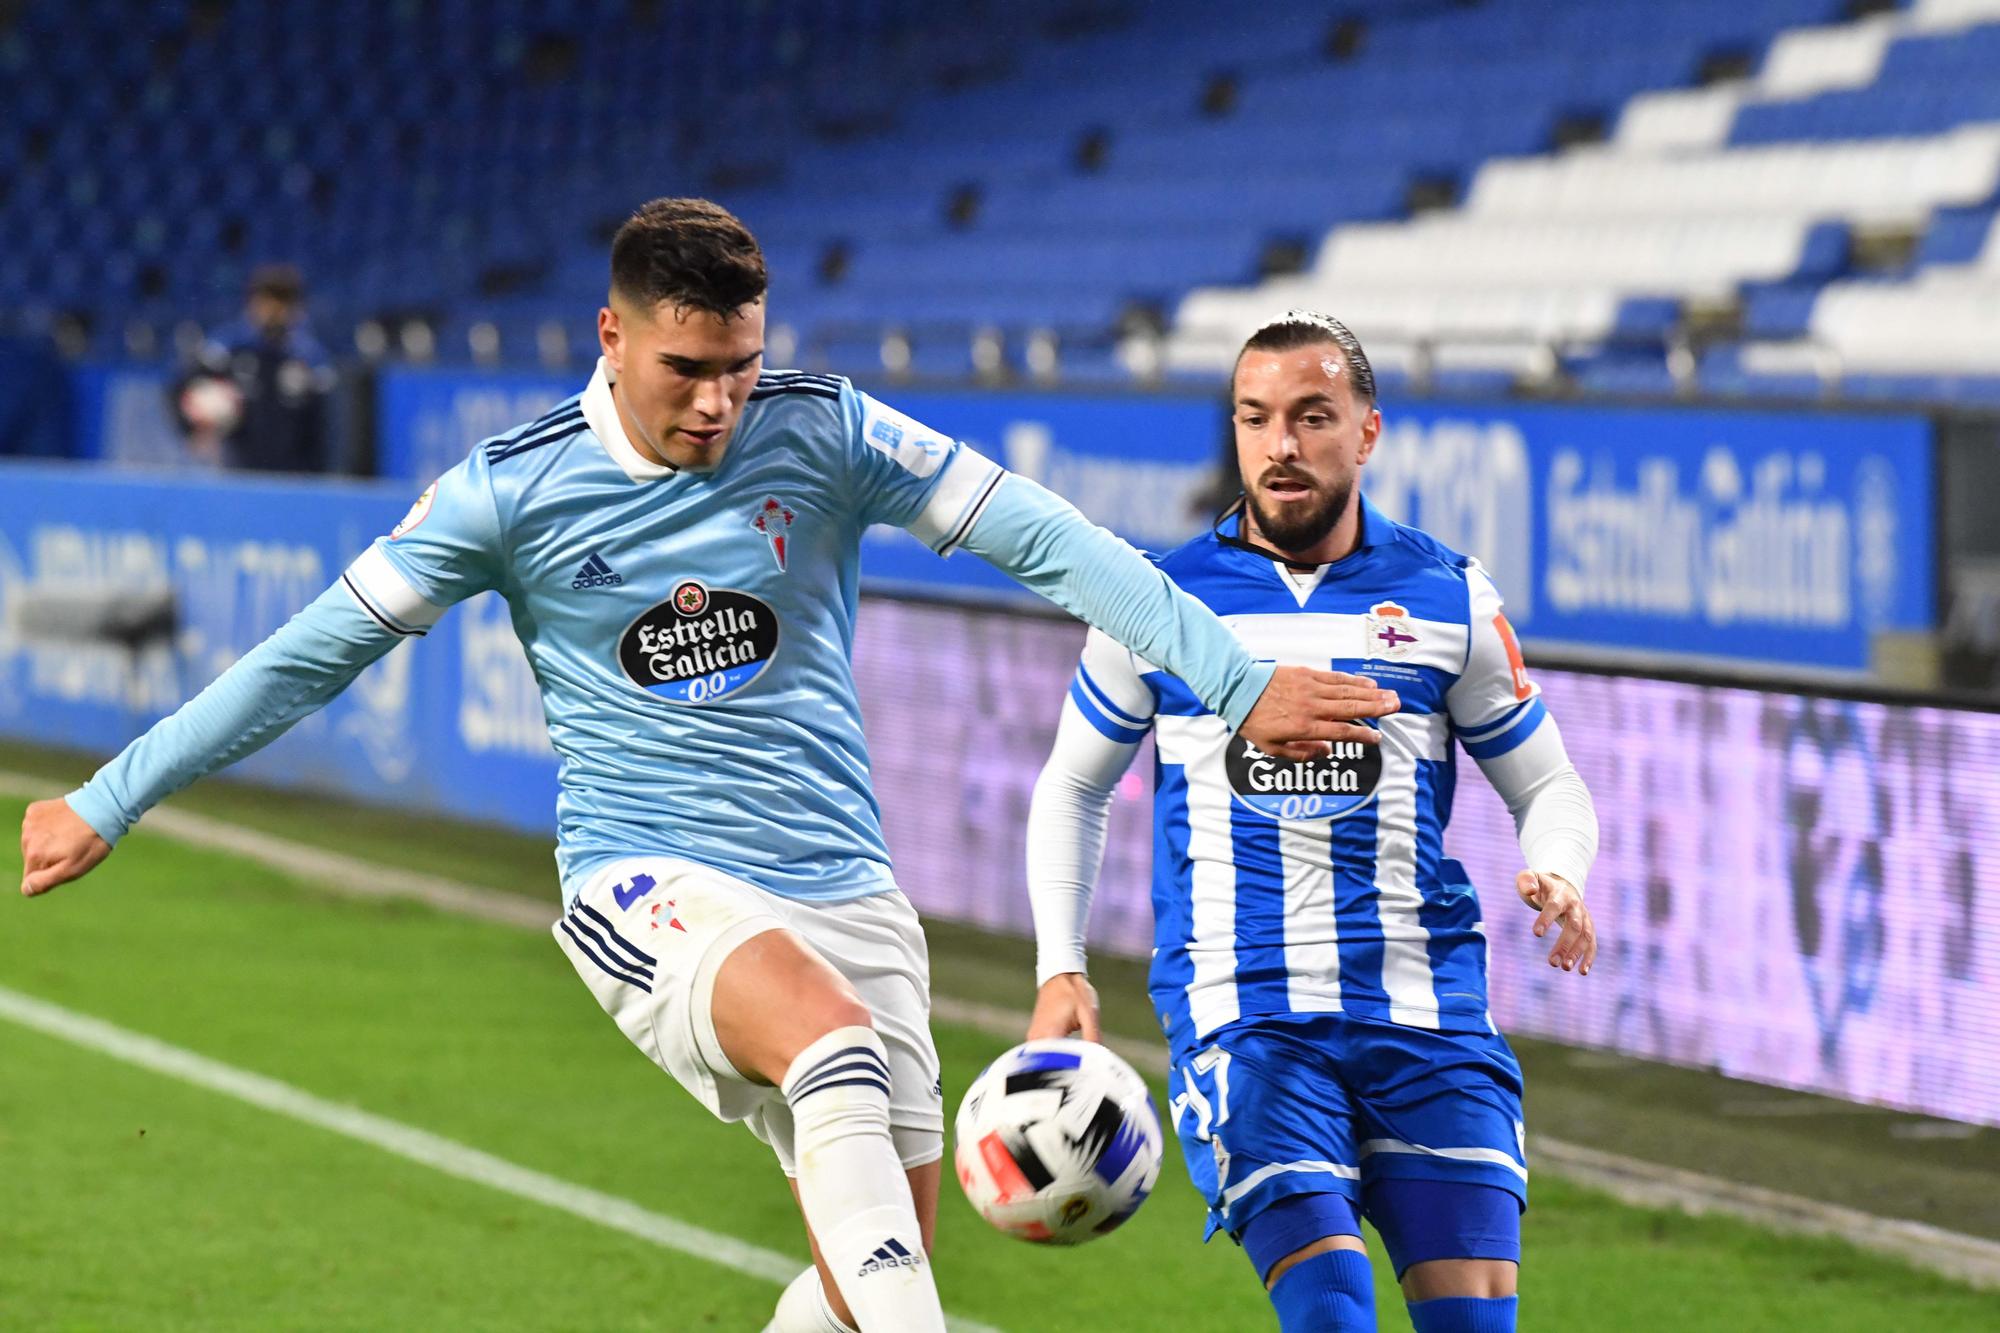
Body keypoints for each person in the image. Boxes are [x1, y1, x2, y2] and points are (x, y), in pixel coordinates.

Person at [18, 203, 1400, 1333]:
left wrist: (1229, 677)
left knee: (874, 1271)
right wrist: (112, 792)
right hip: (648, 877)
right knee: (835, 1058)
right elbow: (308, 655)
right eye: (688, 369)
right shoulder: (511, 490)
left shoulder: (827, 427)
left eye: (742, 363)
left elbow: (1043, 536)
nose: (722, 400)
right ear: (613, 337)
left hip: (848, 885)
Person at [1023, 311, 1600, 1332]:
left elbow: (1546, 782)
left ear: (1366, 431)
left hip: (1425, 1017)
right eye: (1254, 418)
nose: (1278, 445)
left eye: (1309, 416)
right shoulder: (1159, 602)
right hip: (1245, 1017)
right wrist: (1059, 962)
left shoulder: (1446, 595)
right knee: (1330, 1308)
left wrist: (1557, 867)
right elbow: (1072, 783)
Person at [171, 263, 335, 473]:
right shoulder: (227, 348)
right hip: (237, 473)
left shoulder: (311, 358)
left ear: (296, 309)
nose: (274, 311)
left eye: (283, 302)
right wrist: (192, 430)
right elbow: (179, 387)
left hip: (295, 476)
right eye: (267, 301)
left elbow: (325, 424)